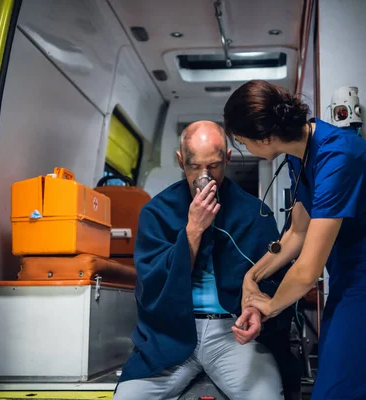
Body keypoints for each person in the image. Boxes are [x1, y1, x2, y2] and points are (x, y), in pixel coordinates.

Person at [222, 80, 366, 399]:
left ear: (265, 137)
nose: (246, 149)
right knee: (332, 388)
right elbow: (297, 233)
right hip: (348, 283)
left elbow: (307, 270)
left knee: (334, 394)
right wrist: (251, 277)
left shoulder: (337, 157)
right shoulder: (301, 154)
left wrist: (269, 306)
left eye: (243, 141)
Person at [113, 121, 300, 400]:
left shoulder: (254, 213)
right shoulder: (156, 212)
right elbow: (152, 284)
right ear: (180, 160)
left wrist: (259, 312)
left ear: (227, 158)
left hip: (231, 331)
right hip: (171, 332)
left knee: (266, 396)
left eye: (213, 166)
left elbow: (273, 279)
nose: (205, 176)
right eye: (194, 166)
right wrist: (193, 230)